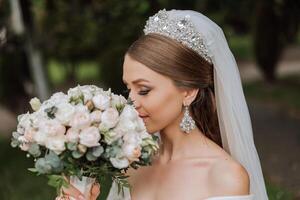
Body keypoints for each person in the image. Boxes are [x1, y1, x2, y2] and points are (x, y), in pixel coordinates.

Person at [59, 9, 269, 200]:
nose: (131, 102)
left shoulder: (224, 176)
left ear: (188, 92)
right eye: (128, 89)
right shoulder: (131, 166)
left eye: (144, 90)